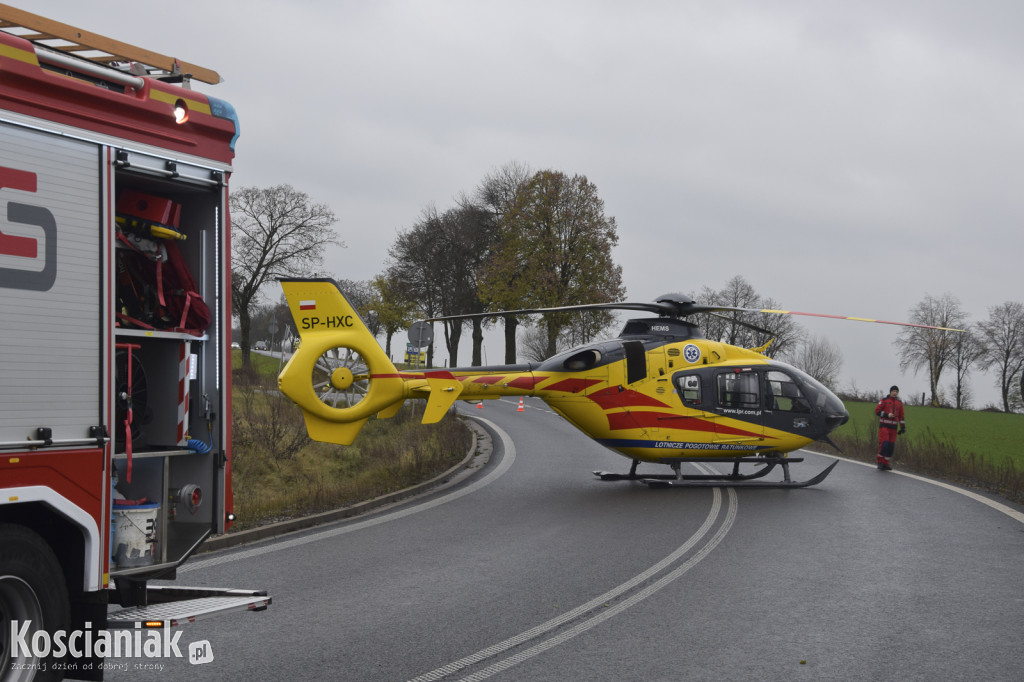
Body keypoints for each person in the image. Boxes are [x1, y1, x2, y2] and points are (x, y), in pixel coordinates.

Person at [874, 385, 906, 470]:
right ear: (890, 392)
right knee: (884, 444)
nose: (895, 393)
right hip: (884, 427)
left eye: (896, 391)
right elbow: (877, 411)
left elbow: (901, 417)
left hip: (894, 428)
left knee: (891, 446)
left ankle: (886, 463)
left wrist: (902, 427)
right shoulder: (884, 401)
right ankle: (880, 462)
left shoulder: (899, 403)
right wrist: (887, 415)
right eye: (894, 391)